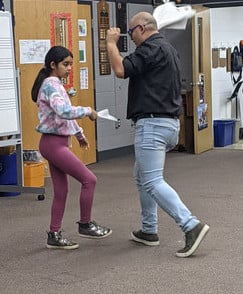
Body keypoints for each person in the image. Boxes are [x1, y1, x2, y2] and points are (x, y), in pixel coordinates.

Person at [106, 12, 209, 257]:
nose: (129, 37)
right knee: (142, 178)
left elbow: (120, 70)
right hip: (169, 124)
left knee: (152, 181)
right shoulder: (168, 49)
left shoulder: (149, 49)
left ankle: (190, 225)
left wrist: (110, 43)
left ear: (141, 28)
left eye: (130, 32)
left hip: (152, 125)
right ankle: (149, 230)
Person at [31, 46, 112, 250]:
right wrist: (88, 110)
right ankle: (85, 224)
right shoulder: (52, 84)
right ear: (53, 65)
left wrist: (78, 134)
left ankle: (54, 234)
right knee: (89, 179)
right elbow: (64, 111)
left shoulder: (54, 84)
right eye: (65, 64)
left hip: (53, 142)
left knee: (62, 191)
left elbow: (60, 115)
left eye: (71, 64)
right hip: (53, 144)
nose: (69, 69)